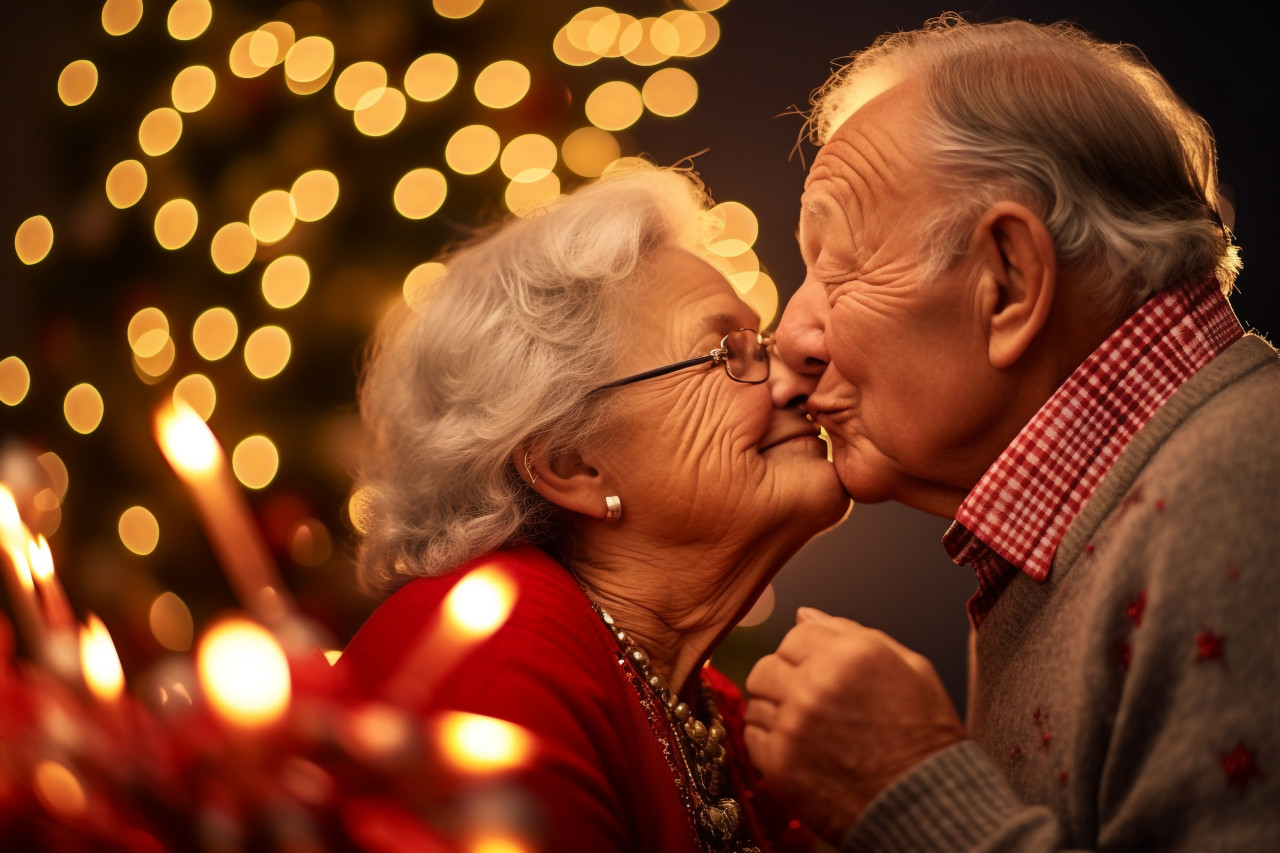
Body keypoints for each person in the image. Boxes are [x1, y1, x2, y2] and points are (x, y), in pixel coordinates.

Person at [744, 13, 1280, 852]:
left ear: (1009, 281)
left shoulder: (1245, 495)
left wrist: (907, 791)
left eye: (839, 265)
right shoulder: (1087, 527)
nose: (793, 340)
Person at [334, 164, 850, 852]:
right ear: (571, 465)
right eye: (728, 352)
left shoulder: (716, 711)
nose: (795, 377)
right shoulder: (490, 656)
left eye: (765, 343)